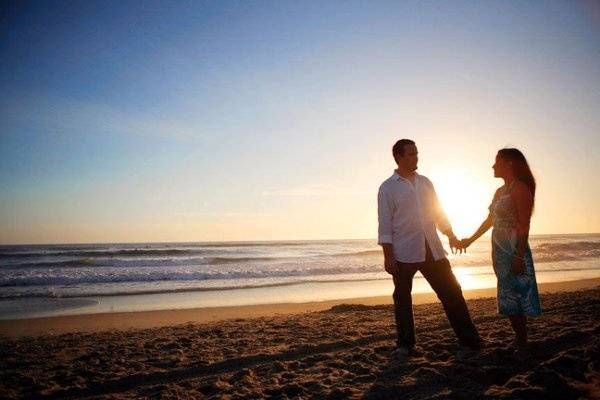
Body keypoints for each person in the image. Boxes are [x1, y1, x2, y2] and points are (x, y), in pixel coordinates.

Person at [377, 139, 482, 360]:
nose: (416, 158)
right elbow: (385, 224)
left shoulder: (425, 183)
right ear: (398, 157)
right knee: (402, 299)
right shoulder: (387, 188)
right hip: (403, 251)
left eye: (417, 154)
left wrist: (451, 235)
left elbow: (438, 212)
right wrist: (388, 256)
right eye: (411, 155)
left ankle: (470, 341)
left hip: (432, 247)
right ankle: (405, 345)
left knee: (452, 292)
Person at [460, 148, 541, 358]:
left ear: (508, 163)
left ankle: (522, 342)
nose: (493, 166)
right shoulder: (499, 191)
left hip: (514, 248)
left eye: (496, 162)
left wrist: (519, 255)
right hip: (499, 249)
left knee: (516, 293)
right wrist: (470, 239)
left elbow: (524, 225)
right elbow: (489, 221)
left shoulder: (521, 189)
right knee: (507, 294)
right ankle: (519, 339)